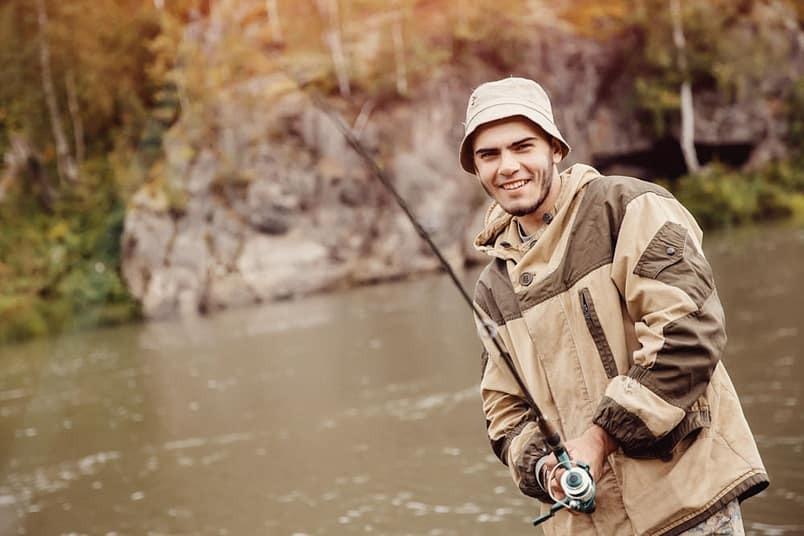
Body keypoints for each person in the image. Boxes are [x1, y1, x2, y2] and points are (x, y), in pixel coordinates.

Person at [460, 77, 769, 535]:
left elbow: (689, 334)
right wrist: (547, 470)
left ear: (555, 148)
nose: (508, 166)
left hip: (689, 504)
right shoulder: (491, 288)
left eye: (522, 146)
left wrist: (599, 438)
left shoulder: (628, 208)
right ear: (477, 168)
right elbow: (505, 415)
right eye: (489, 155)